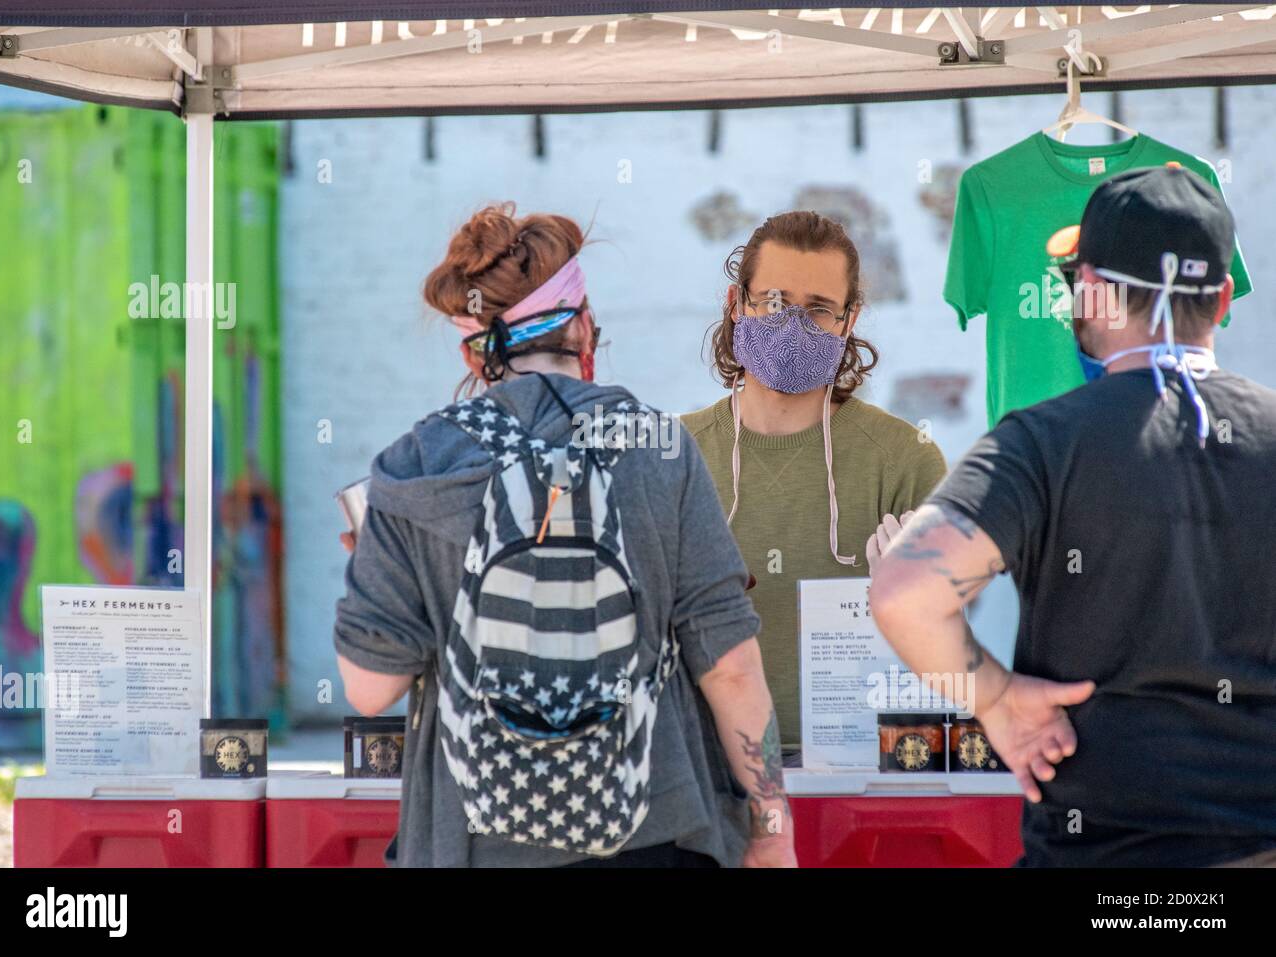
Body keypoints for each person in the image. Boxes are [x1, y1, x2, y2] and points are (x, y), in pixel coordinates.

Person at [333, 203, 795, 868]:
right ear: (582, 327)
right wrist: (772, 828)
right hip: (651, 832)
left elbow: (370, 686)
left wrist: (377, 566)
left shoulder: (419, 464)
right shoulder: (660, 447)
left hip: (477, 845)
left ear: (474, 351)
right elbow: (730, 665)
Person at [868, 165, 1276, 867]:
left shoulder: (1042, 442)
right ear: (1223, 297)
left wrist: (995, 698)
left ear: (1089, 294)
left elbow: (906, 591)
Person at [681, 211, 947, 764]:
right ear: (737, 305)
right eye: (774, 301)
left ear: (849, 321)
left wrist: (921, 591)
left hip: (863, 768)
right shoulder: (674, 457)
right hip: (709, 770)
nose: (793, 324)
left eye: (819, 309)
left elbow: (949, 636)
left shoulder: (905, 460)